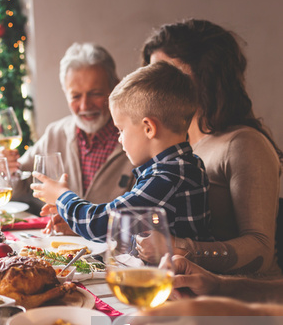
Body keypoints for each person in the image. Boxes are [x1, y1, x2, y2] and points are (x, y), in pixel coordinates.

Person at [142, 19, 283, 277]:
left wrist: (182, 248)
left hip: (242, 302)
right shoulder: (177, 147)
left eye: (169, 73)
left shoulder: (243, 143)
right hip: (179, 288)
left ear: (207, 75)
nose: (156, 85)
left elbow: (260, 250)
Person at [32, 61, 210, 243]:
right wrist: (77, 227)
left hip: (164, 272)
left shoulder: (168, 177)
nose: (119, 138)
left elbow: (101, 223)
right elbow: (133, 229)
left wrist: (62, 196)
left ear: (148, 128)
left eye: (121, 130)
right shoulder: (186, 165)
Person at [1, 43, 134, 228]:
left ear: (115, 87)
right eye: (75, 96)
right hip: (60, 250)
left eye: (95, 94)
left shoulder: (135, 139)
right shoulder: (55, 133)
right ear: (65, 93)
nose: (85, 105)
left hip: (114, 253)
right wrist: (6, 169)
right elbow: (18, 188)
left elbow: (141, 219)